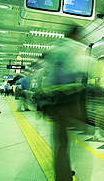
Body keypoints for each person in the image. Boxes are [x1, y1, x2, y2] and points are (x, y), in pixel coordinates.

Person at [39, 27, 89, 181]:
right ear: (75, 35)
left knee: (62, 141)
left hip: (56, 101)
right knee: (63, 142)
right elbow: (70, 75)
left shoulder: (56, 48)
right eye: (80, 36)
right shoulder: (70, 49)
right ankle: (62, 176)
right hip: (64, 101)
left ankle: (64, 171)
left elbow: (48, 76)